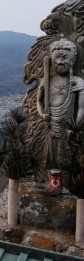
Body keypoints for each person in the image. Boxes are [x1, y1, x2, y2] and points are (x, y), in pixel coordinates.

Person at [37, 39, 84, 168]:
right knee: (49, 159)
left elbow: (81, 109)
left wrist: (76, 127)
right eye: (56, 58)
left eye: (64, 57)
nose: (60, 62)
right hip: (50, 127)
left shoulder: (77, 82)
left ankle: (65, 182)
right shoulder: (47, 80)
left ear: (72, 60)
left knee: (65, 160)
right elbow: (39, 101)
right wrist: (42, 114)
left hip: (67, 129)